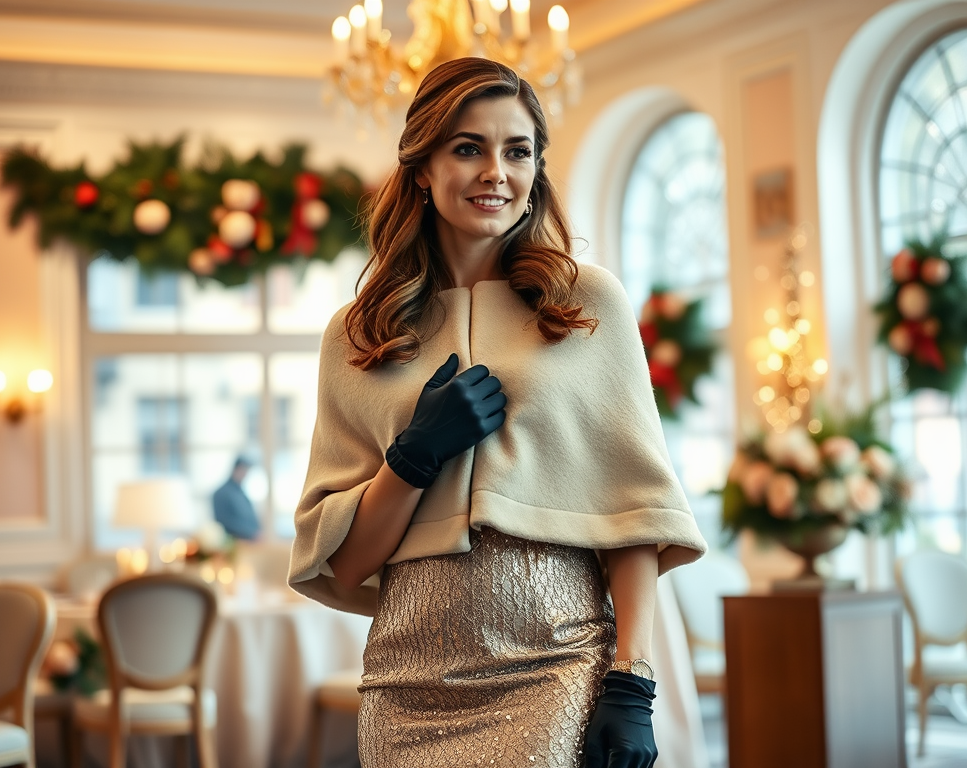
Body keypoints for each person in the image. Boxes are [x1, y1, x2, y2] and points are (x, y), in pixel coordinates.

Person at [289, 57, 707, 768]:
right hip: (405, 687)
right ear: (421, 167)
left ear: (537, 169)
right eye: (467, 148)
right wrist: (415, 456)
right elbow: (350, 561)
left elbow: (633, 512)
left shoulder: (587, 307)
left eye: (517, 151)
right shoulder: (358, 335)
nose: (495, 172)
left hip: (555, 668)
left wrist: (631, 683)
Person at [213, 456, 261, 540]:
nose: (246, 475)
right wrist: (250, 532)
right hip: (235, 543)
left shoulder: (241, 492)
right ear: (237, 469)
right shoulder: (222, 493)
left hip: (251, 541)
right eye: (244, 470)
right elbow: (225, 521)